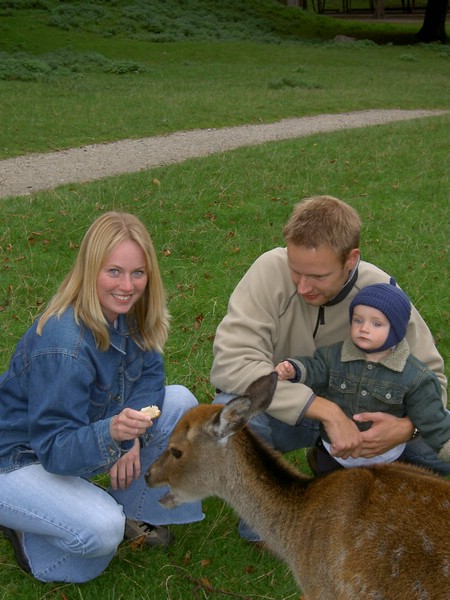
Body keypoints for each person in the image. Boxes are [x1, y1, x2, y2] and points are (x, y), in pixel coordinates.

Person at [210, 195, 448, 540]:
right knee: (231, 414)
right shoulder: (268, 271)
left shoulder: (381, 291)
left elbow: (431, 376)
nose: (303, 286)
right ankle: (265, 529)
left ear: (350, 260)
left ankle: (349, 467)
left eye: (318, 275)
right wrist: (325, 412)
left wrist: (406, 428)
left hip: (370, 416)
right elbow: (232, 362)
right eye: (296, 270)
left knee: (442, 435)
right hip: (289, 412)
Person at [0, 212, 203, 583]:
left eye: (137, 273)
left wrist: (133, 431)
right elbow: (53, 447)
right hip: (17, 459)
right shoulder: (64, 344)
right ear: (90, 270)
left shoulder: (132, 313)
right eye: (114, 272)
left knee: (180, 405)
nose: (127, 285)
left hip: (68, 439)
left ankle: (130, 512)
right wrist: (112, 435)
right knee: (99, 533)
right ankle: (29, 533)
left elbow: (151, 375)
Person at [275, 281, 450, 474]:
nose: (364, 328)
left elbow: (432, 418)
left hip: (385, 457)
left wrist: (445, 446)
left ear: (397, 330)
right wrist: (295, 369)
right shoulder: (333, 355)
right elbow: (315, 368)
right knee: (329, 495)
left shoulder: (415, 376)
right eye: (358, 320)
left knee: (377, 498)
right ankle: (318, 461)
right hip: (334, 451)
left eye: (376, 324)